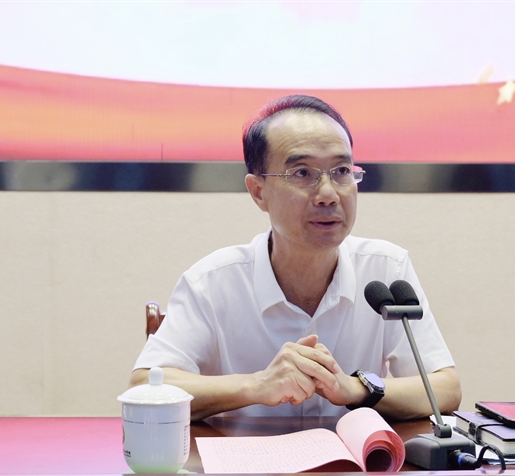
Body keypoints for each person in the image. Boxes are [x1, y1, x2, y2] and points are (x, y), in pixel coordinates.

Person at [129, 94, 461, 421]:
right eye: (302, 173)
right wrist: (256, 385)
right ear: (258, 192)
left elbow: (445, 388)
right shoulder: (212, 283)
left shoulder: (386, 269)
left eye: (341, 170)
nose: (328, 194)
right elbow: (144, 386)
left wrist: (356, 388)